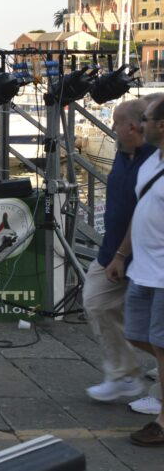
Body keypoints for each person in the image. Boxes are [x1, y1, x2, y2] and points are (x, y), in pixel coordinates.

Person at [85, 99, 155, 406]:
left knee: (154, 325)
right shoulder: (121, 153)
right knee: (96, 302)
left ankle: (156, 392)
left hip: (145, 254)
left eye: (115, 122)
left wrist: (122, 255)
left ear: (132, 126)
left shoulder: (155, 158)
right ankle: (125, 374)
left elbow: (142, 212)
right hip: (113, 250)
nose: (110, 127)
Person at [107, 96, 164, 446]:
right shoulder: (151, 163)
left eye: (146, 119)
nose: (139, 125)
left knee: (161, 345)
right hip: (144, 269)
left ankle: (162, 420)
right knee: (138, 334)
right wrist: (121, 255)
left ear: (162, 125)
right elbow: (140, 212)